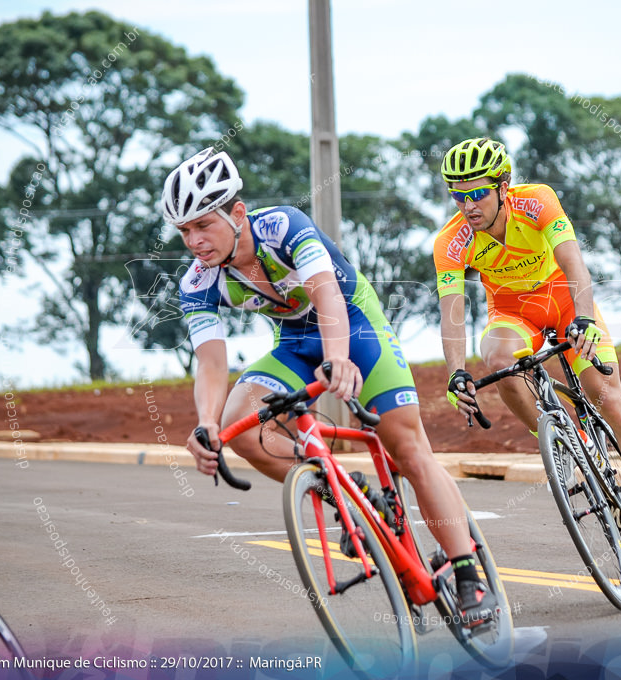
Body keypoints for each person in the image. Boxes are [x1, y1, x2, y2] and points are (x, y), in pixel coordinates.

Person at [164, 148, 496, 624]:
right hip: (295, 342)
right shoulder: (198, 281)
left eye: (203, 225)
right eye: (184, 231)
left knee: (405, 444)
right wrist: (205, 425)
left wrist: (339, 359)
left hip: (355, 325)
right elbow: (212, 364)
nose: (194, 241)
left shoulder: (283, 226)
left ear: (237, 213)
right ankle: (346, 493)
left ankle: (468, 574)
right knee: (242, 422)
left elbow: (327, 294)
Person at [434, 137, 621, 564]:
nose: (468, 205)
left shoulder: (537, 202)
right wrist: (455, 374)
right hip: (513, 314)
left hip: (566, 302)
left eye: (478, 193)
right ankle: (562, 441)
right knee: (496, 361)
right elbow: (452, 313)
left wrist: (586, 319)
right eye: (458, 196)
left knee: (609, 398)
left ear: (503, 186)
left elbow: (574, 264)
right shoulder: (451, 241)